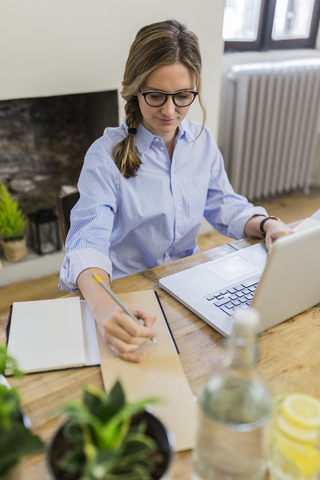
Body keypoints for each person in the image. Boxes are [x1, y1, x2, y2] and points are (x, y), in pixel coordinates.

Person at [59, 19, 293, 363]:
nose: (170, 111)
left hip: (188, 284)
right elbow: (86, 243)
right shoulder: (105, 155)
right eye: (155, 96)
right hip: (127, 292)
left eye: (183, 96)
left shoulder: (201, 141)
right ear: (135, 89)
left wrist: (268, 224)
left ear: (194, 88)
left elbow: (224, 204)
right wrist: (104, 304)